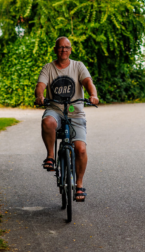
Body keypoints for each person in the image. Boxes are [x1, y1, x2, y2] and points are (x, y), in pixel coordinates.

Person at [34, 36, 99, 202]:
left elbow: (87, 81)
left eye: (67, 47)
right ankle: (51, 156)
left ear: (70, 50)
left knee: (81, 149)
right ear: (56, 50)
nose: (64, 50)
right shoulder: (48, 68)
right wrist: (40, 96)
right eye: (60, 47)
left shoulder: (78, 66)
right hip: (55, 109)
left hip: (74, 111)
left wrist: (93, 94)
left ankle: (79, 185)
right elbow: (40, 85)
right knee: (47, 121)